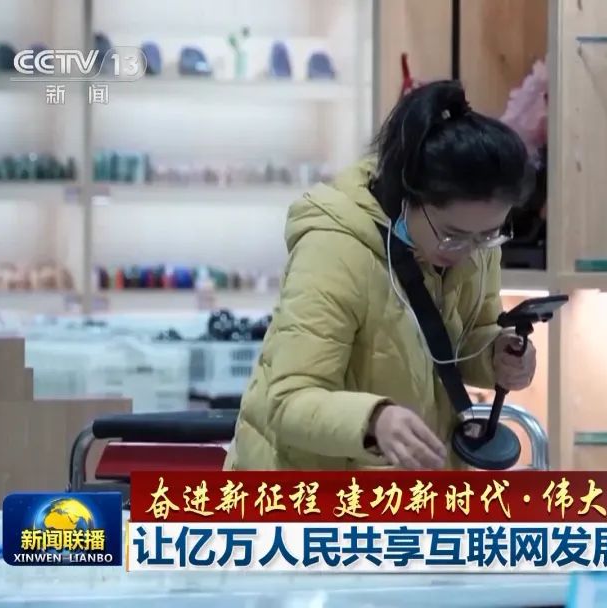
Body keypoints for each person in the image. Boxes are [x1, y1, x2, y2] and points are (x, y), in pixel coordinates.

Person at [225, 80, 538, 471]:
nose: (469, 251)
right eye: (452, 235)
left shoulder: (474, 243)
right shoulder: (335, 250)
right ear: (408, 196)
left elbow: (463, 340)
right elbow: (288, 401)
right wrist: (375, 420)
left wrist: (497, 356)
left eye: (489, 235)